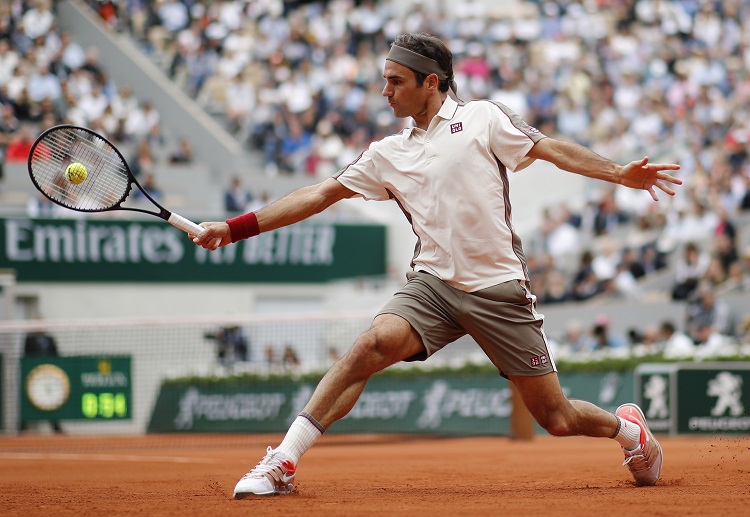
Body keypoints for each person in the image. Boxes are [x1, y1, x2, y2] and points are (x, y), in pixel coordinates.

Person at [192, 33, 682, 498]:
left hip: (498, 289)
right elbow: (319, 194)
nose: (384, 91)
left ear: (432, 82)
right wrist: (234, 228)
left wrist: (619, 173)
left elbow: (551, 149)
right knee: (369, 345)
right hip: (433, 288)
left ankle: (629, 431)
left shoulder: (483, 118)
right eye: (383, 80)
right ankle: (283, 462)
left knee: (557, 419)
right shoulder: (386, 152)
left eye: (395, 80)